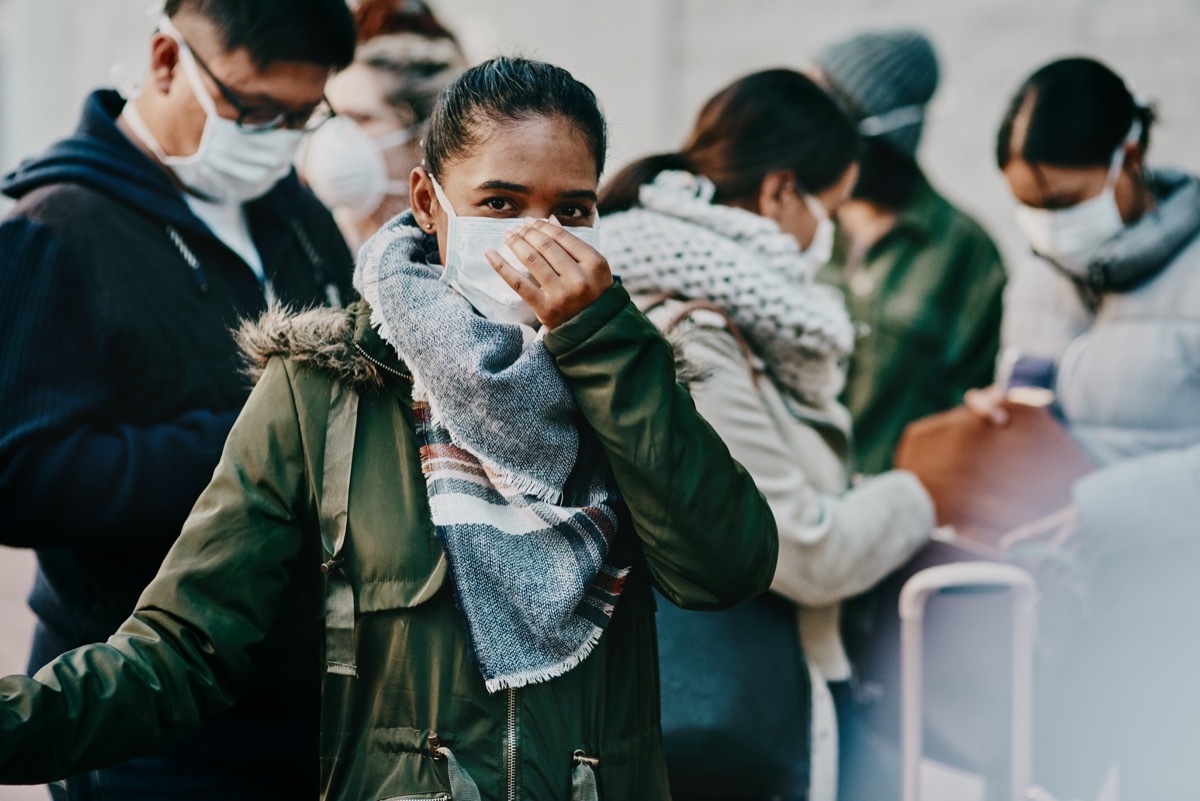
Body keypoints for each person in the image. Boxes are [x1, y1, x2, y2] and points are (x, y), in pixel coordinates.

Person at [0, 56, 779, 801]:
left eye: (570, 210)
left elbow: (723, 567)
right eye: (500, 204)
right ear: (428, 203)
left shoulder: (626, 376)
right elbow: (185, 646)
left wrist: (606, 343)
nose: (538, 240)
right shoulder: (324, 391)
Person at [0, 1, 357, 798]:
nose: (274, 140)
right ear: (167, 59)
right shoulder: (54, 229)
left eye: (303, 117)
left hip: (314, 706)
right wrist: (260, 445)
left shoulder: (297, 218)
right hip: (145, 715)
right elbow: (20, 477)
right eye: (256, 111)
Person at [598, 68, 934, 801]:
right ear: (780, 191)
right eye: (832, 207)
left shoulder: (740, 318)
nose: (833, 231)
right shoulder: (699, 335)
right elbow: (798, 548)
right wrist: (917, 494)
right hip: (735, 707)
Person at [965, 55, 1200, 801]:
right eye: (1028, 204)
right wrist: (996, 415)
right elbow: (1035, 390)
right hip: (1052, 605)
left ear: (1128, 157)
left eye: (1064, 200)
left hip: (1168, 608)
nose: (1048, 226)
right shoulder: (1042, 271)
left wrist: (1110, 508)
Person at [809, 27, 1006, 475]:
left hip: (910, 524)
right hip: (798, 522)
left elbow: (975, 416)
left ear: (870, 132)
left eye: (820, 110)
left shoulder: (964, 250)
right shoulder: (793, 229)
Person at [299, 0, 466, 251]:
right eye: (331, 116)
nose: (334, 134)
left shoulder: (455, 251)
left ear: (424, 134)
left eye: (358, 119)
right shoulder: (307, 244)